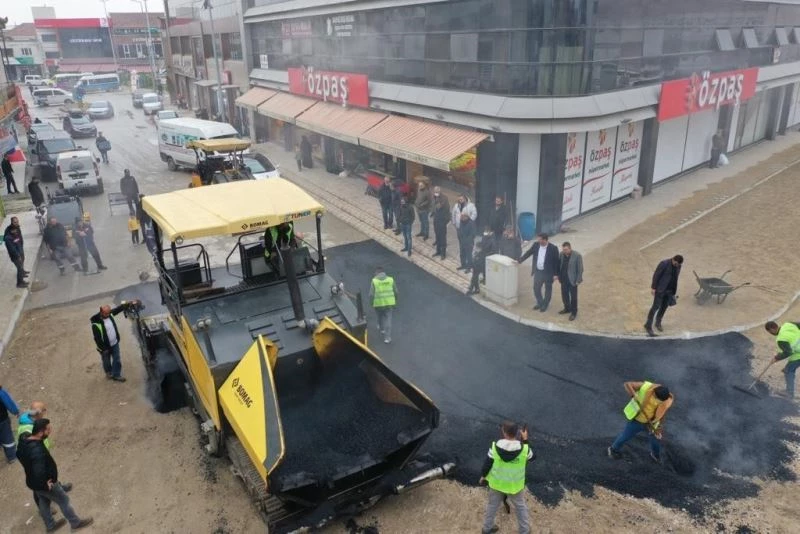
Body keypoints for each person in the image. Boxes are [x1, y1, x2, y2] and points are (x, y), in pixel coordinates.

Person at [16, 419, 94, 532]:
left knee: (43, 501)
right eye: (48, 430)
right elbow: (39, 471)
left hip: (32, 482)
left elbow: (18, 454)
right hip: (46, 483)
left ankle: (50, 525)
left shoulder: (24, 438)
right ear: (40, 432)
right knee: (64, 500)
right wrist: (45, 483)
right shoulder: (37, 452)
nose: (50, 431)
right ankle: (75, 523)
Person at [479, 421, 533, 534]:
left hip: (496, 484)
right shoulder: (524, 449)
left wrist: (483, 476)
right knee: (520, 508)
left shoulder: (494, 447)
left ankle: (487, 529)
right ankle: (524, 531)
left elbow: (487, 464)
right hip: (515, 487)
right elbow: (532, 458)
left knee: (492, 506)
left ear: (503, 432)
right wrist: (526, 440)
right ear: (518, 433)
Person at [608, 381, 674, 463]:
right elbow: (628, 384)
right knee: (625, 436)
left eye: (660, 401)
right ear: (654, 393)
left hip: (651, 423)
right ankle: (613, 450)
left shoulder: (666, 400)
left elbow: (662, 415)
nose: (658, 401)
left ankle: (655, 455)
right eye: (657, 399)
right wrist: (633, 395)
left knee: (655, 440)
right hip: (638, 420)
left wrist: (658, 428)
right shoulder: (646, 387)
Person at [90, 301, 140, 382]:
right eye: (106, 314)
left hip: (114, 343)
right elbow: (97, 338)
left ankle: (116, 375)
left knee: (116, 359)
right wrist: (103, 349)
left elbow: (118, 309)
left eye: (109, 313)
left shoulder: (109, 315)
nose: (108, 315)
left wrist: (128, 304)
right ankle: (109, 372)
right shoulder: (96, 324)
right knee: (106, 361)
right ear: (101, 312)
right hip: (105, 347)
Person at [518, 233, 560, 312]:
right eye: (538, 239)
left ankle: (545, 304)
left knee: (548, 289)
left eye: (540, 239)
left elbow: (557, 262)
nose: (538, 240)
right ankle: (540, 302)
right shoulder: (536, 245)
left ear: (545, 240)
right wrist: (519, 261)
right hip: (538, 272)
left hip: (548, 273)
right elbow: (528, 253)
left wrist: (556, 274)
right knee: (536, 288)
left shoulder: (553, 248)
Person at [644, 255, 683, 336]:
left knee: (664, 307)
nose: (677, 266)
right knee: (655, 307)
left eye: (678, 265)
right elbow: (656, 275)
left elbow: (676, 277)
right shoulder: (664, 263)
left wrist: (673, 291)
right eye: (676, 264)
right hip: (661, 290)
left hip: (670, 291)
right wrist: (653, 288)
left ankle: (658, 323)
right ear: (673, 259)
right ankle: (648, 325)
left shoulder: (679, 266)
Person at [765, 321, 800, 399]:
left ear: (771, 330)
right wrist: (778, 355)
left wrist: (776, 358)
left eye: (769, 332)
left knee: (789, 370)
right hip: (797, 351)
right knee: (789, 367)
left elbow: (788, 352)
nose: (770, 333)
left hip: (799, 354)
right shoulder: (788, 324)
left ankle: (789, 393)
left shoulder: (781, 339)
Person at [369, 266, 397, 344]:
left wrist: (372, 303)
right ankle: (387, 338)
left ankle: (382, 329)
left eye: (375, 273)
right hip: (389, 304)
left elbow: (371, 294)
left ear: (377, 273)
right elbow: (396, 292)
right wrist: (395, 302)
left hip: (378, 304)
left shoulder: (374, 281)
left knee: (379, 316)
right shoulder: (390, 280)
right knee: (388, 320)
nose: (374, 274)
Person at [558, 242, 583, 321]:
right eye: (563, 249)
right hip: (563, 280)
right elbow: (559, 265)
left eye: (566, 249)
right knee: (564, 295)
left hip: (573, 280)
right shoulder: (561, 254)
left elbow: (580, 269)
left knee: (573, 298)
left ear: (570, 248)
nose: (564, 251)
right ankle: (567, 308)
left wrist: (578, 280)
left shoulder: (577, 255)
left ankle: (574, 312)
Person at [467, 229, 497, 295]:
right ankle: (473, 287)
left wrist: (485, 255)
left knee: (477, 274)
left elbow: (493, 251)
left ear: (491, 233)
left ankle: (474, 287)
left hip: (485, 260)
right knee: (475, 274)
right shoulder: (484, 238)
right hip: (480, 258)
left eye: (487, 231)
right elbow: (481, 246)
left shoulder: (492, 241)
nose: (485, 233)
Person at [452, 194, 478, 272]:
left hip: (468, 240)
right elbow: (453, 214)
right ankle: (463, 265)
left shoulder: (471, 222)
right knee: (462, 252)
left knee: (468, 253)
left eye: (462, 199)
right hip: (461, 237)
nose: (460, 201)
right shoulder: (457, 207)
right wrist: (454, 223)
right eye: (459, 199)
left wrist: (468, 240)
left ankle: (468, 267)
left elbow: (473, 234)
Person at [4, 216, 29, 288]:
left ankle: (22, 277)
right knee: (19, 268)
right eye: (15, 222)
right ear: (12, 222)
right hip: (15, 255)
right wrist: (18, 256)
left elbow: (20, 238)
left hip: (20, 250)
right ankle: (19, 283)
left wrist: (21, 247)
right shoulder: (8, 237)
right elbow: (12, 249)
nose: (17, 223)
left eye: (17, 221)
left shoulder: (17, 228)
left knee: (21, 265)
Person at [0, 385, 20, 463]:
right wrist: (15, 411)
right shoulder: (1, 392)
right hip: (2, 420)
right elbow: (9, 402)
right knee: (7, 438)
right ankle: (12, 457)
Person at [431, 187, 450, 259]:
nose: (435, 192)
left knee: (442, 238)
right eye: (434, 191)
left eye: (437, 191)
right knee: (437, 236)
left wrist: (437, 199)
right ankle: (438, 251)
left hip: (442, 220)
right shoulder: (434, 197)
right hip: (436, 219)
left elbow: (439, 206)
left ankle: (443, 253)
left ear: (440, 191)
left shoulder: (444, 198)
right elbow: (432, 206)